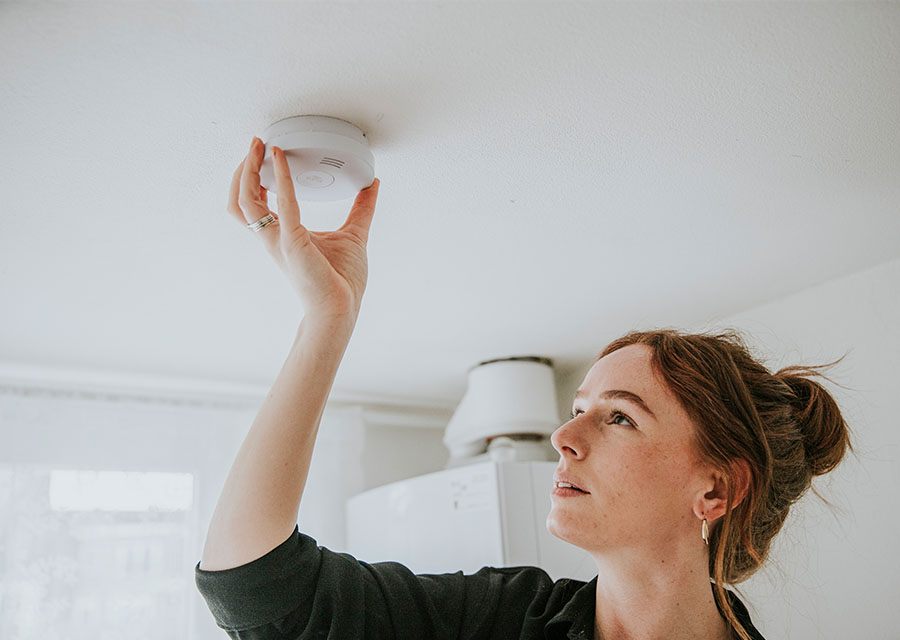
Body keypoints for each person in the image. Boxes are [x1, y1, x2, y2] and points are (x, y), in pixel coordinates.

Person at [194, 137, 854, 640]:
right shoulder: (500, 619)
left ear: (715, 488)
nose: (563, 438)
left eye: (619, 418)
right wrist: (327, 321)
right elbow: (254, 585)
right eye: (577, 411)